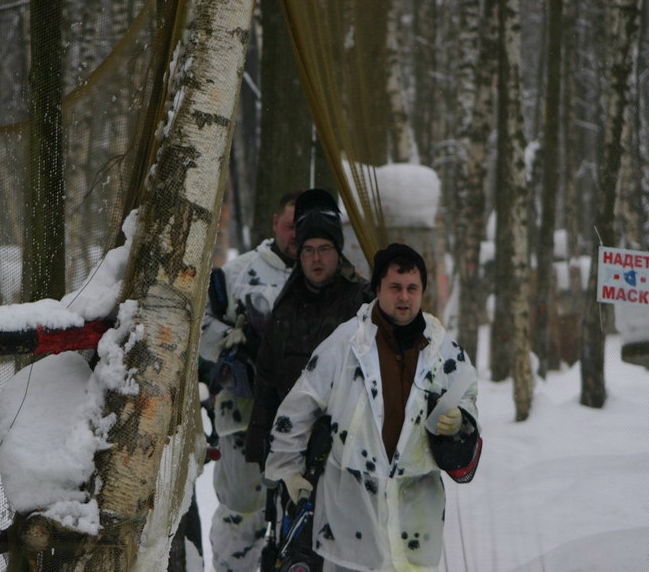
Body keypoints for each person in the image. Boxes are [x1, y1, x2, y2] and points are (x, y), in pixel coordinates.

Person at [263, 243, 480, 572]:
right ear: (377, 288)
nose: (404, 298)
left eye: (412, 288)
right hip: (350, 512)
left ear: (423, 291)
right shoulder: (347, 343)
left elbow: (469, 393)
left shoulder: (443, 349)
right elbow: (298, 407)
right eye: (395, 288)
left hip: (416, 514)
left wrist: (461, 420)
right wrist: (288, 470)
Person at [195, 190, 301, 572]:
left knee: (302, 525)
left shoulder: (325, 279)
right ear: (275, 223)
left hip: (303, 425)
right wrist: (232, 343)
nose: (296, 235)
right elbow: (198, 328)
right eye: (291, 225)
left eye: (304, 227)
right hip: (242, 419)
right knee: (241, 514)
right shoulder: (236, 276)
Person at [244, 188, 373, 468]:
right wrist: (260, 443)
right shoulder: (285, 306)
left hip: (348, 451)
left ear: (337, 252)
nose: (316, 259)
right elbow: (266, 378)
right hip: (291, 447)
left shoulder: (363, 301)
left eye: (324, 249)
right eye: (308, 250)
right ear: (299, 255)